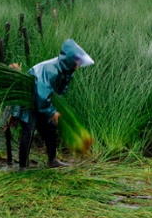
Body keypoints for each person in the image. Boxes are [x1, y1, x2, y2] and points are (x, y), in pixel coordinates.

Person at [17, 39, 94, 169]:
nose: (79, 66)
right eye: (78, 62)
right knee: (28, 131)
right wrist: (52, 112)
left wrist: (54, 110)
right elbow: (41, 96)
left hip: (43, 100)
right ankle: (23, 167)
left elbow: (58, 93)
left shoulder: (66, 71)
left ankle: (52, 160)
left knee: (50, 128)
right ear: (70, 60)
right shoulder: (51, 71)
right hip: (28, 99)